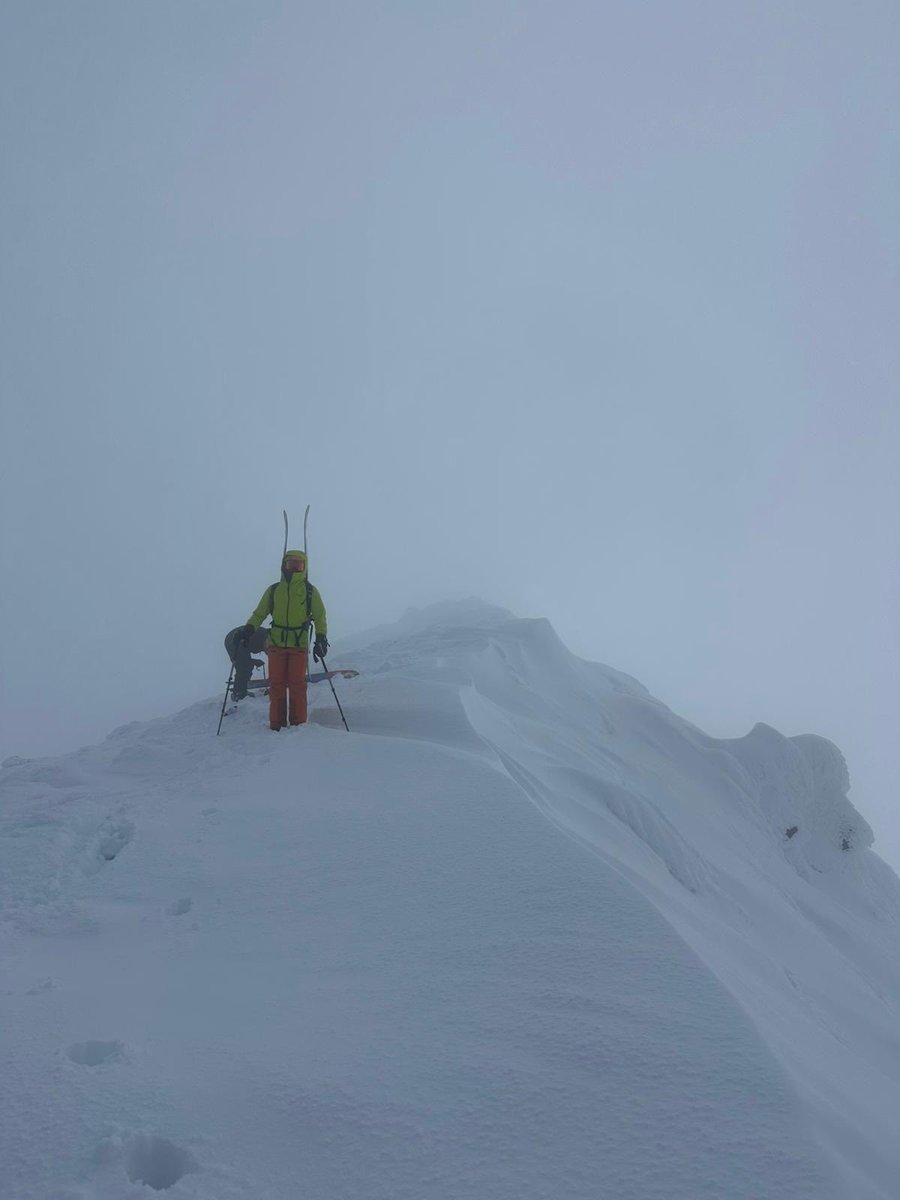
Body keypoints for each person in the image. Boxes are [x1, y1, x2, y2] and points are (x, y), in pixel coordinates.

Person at [236, 550, 328, 730]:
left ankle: (298, 725)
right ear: (283, 566)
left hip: (298, 645)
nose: (293, 569)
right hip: (276, 645)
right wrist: (249, 629)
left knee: (297, 686)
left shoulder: (310, 591)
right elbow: (259, 613)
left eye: (298, 565)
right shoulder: (273, 590)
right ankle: (276, 725)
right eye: (290, 564)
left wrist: (321, 637)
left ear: (304, 567)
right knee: (276, 685)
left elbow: (320, 616)